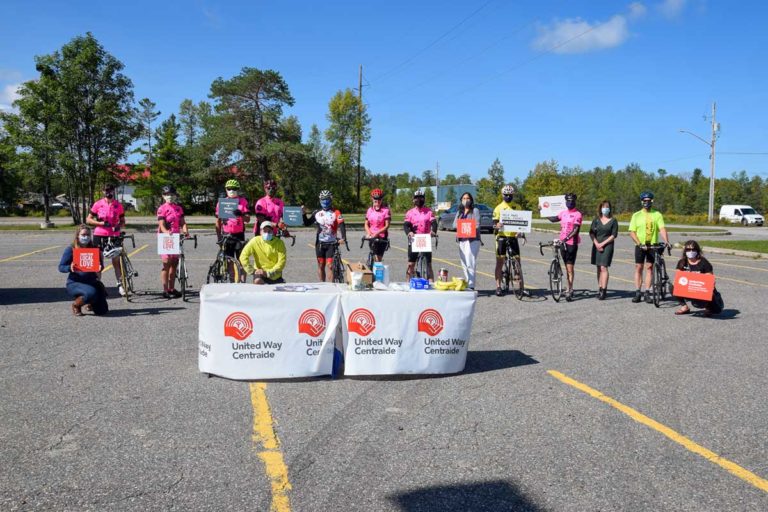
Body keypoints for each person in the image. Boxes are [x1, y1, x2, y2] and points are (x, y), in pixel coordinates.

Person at [628, 191, 670, 304]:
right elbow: (632, 231)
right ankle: (637, 292)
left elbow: (662, 229)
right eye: (644, 201)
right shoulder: (636, 215)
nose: (647, 203)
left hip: (652, 245)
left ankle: (647, 292)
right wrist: (639, 243)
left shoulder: (657, 214)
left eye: (649, 201)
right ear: (642, 202)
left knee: (650, 267)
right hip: (640, 245)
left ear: (652, 201)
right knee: (638, 267)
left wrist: (667, 241)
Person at [58, 225, 108, 316]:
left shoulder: (94, 249)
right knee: (91, 293)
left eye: (88, 235)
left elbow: (100, 265)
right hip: (75, 282)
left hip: (91, 281)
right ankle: (76, 305)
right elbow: (61, 267)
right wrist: (70, 267)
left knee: (102, 311)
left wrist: (100, 267)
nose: (86, 237)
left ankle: (91, 303)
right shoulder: (71, 249)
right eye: (83, 234)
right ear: (78, 235)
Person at [86, 183, 126, 295]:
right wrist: (100, 223)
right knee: (98, 262)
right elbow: (88, 219)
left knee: (116, 262)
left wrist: (119, 225)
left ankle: (121, 286)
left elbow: (123, 221)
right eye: (106, 190)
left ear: (114, 191)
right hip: (100, 234)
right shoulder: (98, 204)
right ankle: (97, 286)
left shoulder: (118, 205)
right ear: (103, 191)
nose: (108, 192)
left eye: (111, 190)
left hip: (114, 235)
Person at [303, 190, 346, 282]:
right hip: (320, 243)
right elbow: (307, 223)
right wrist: (303, 213)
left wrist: (343, 237)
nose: (325, 201)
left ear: (331, 199)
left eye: (327, 199)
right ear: (320, 200)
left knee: (330, 266)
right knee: (321, 265)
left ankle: (331, 287)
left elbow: (342, 224)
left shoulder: (336, 212)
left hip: (332, 243)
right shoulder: (316, 212)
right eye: (323, 199)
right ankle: (322, 285)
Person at [673, 240, 723, 316]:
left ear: (697, 250)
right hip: (688, 288)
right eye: (688, 250)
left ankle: (708, 307)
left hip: (700, 289)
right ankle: (684, 307)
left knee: (714, 309)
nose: (691, 251)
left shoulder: (704, 262)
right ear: (685, 251)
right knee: (673, 286)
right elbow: (678, 277)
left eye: (693, 249)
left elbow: (709, 279)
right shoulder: (682, 262)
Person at [548, 192, 582, 302]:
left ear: (575, 201)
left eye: (572, 201)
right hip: (562, 242)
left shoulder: (577, 214)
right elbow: (553, 219)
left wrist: (566, 239)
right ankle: (565, 285)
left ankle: (569, 289)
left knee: (569, 268)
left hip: (571, 243)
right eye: (568, 200)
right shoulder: (563, 213)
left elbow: (576, 230)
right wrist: (542, 211)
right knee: (563, 265)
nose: (570, 202)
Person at [156, 185, 189, 299]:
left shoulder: (178, 208)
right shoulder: (162, 208)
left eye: (171, 194)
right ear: (163, 196)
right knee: (166, 263)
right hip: (166, 237)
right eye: (167, 195)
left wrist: (186, 232)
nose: (169, 196)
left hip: (176, 237)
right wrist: (166, 232)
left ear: (175, 196)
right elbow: (161, 224)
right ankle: (165, 290)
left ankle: (171, 288)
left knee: (174, 264)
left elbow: (182, 222)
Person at [493, 184, 523, 297]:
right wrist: (497, 225)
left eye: (510, 195)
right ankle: (498, 286)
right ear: (502, 195)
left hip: (513, 237)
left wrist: (521, 232)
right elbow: (494, 224)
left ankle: (520, 287)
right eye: (506, 195)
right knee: (500, 262)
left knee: (518, 261)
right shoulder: (499, 208)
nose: (508, 197)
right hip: (501, 237)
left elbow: (522, 223)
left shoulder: (517, 207)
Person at [215, 178, 250, 271]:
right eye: (229, 188)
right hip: (226, 234)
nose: (232, 191)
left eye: (234, 188)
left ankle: (242, 282)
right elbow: (218, 222)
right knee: (229, 260)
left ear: (238, 189)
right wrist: (219, 237)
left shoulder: (243, 201)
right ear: (226, 189)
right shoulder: (221, 203)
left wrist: (241, 215)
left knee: (241, 259)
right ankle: (232, 281)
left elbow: (248, 220)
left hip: (239, 234)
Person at [404, 189, 437, 281]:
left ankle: (431, 285)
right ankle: (407, 284)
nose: (419, 200)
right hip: (414, 239)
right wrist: (409, 232)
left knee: (429, 264)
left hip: (425, 238)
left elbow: (434, 222)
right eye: (417, 198)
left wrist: (433, 231)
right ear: (413, 200)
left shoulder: (429, 211)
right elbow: (406, 225)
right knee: (411, 264)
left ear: (424, 199)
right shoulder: (410, 212)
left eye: (421, 198)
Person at [589, 199, 619, 300]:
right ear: (600, 208)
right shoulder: (596, 220)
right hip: (596, 245)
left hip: (607, 245)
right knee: (598, 267)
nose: (605, 209)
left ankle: (604, 291)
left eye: (607, 207)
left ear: (610, 209)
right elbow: (592, 233)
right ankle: (600, 288)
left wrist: (603, 243)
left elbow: (614, 235)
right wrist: (597, 243)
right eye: (603, 207)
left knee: (603, 267)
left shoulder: (613, 221)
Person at [452, 192, 481, 290]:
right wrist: (464, 225)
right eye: (464, 198)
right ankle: (468, 282)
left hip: (472, 240)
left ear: (471, 200)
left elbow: (477, 224)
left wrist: (465, 226)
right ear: (461, 200)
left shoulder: (475, 211)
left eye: (468, 198)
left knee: (470, 261)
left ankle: (471, 285)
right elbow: (454, 225)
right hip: (461, 240)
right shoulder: (459, 212)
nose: (466, 200)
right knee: (464, 263)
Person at [364, 188, 391, 263]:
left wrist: (377, 233)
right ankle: (370, 267)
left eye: (379, 199)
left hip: (381, 237)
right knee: (373, 256)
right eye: (375, 199)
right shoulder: (369, 210)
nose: (377, 201)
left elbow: (387, 225)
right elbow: (366, 224)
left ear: (382, 199)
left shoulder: (386, 210)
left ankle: (376, 272)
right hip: (372, 236)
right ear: (372, 199)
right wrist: (369, 233)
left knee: (378, 260)